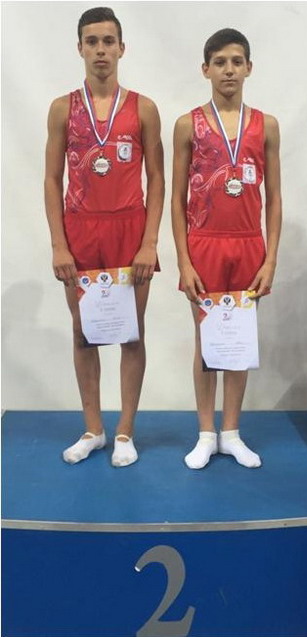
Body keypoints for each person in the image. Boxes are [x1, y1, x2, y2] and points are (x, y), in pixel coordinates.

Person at [46, 7, 163, 467]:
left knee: (131, 333)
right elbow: (51, 178)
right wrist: (59, 243)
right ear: (80, 48)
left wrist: (149, 242)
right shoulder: (62, 109)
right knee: (84, 334)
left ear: (121, 48)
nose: (100, 50)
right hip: (80, 230)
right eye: (92, 41)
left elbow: (158, 178)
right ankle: (93, 429)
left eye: (108, 41)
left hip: (129, 230)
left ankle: (125, 432)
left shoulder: (143, 108)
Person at [170, 28, 282, 469]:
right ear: (206, 70)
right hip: (204, 244)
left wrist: (270, 258)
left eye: (236, 62)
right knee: (206, 339)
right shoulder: (188, 125)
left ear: (249, 68)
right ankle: (205, 433)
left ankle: (231, 431)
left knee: (239, 339)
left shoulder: (266, 125)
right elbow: (176, 198)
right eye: (220, 62)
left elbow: (275, 197)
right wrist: (184, 259)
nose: (229, 70)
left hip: (249, 243)